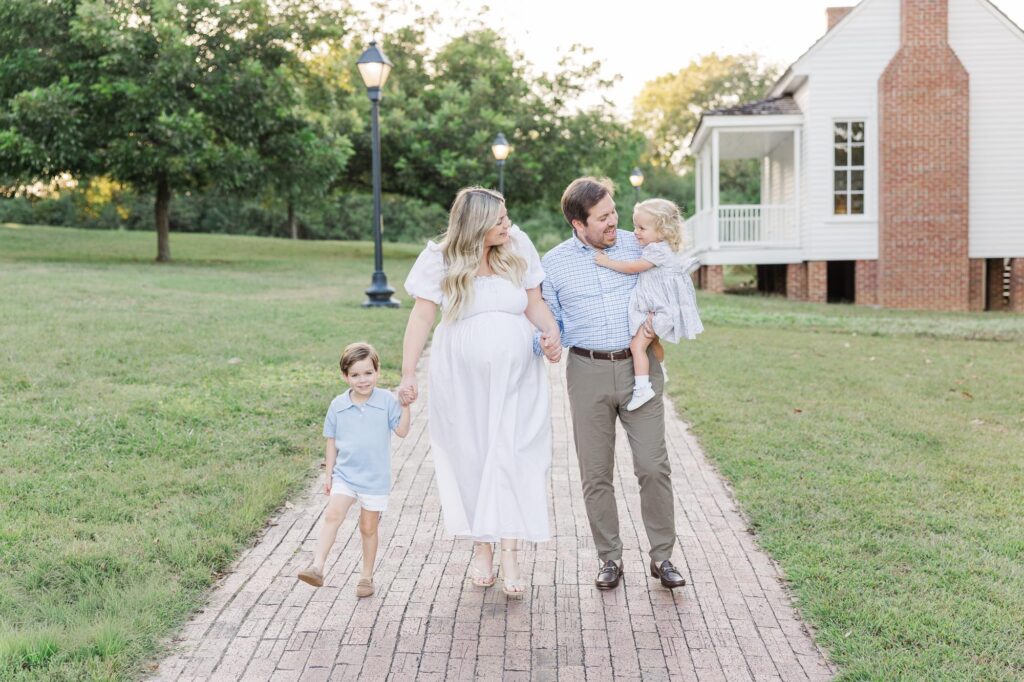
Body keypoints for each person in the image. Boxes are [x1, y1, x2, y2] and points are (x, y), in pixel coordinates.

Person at [399, 187, 561, 599]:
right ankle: (482, 549)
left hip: (519, 375)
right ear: (476, 224)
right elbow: (421, 316)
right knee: (473, 455)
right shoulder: (441, 258)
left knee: (513, 451)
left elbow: (535, 304)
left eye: (507, 217)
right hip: (460, 378)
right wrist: (407, 374)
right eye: (500, 220)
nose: (508, 225)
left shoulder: (517, 247)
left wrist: (552, 335)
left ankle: (510, 553)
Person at [541, 177, 687, 591]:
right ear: (577, 222)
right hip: (585, 371)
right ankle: (610, 558)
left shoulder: (640, 244)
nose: (614, 222)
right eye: (602, 217)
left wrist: (660, 326)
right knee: (595, 472)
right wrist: (546, 339)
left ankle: (663, 558)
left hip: (638, 370)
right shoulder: (553, 264)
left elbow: (675, 281)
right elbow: (548, 319)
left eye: (614, 212)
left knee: (653, 466)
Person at [297, 342, 411, 597]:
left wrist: (405, 406)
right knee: (332, 515)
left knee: (368, 528)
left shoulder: (386, 401)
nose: (363, 380)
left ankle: (366, 577)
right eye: (355, 375)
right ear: (345, 376)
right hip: (346, 476)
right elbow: (331, 441)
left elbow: (402, 431)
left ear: (377, 372)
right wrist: (329, 474)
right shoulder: (338, 405)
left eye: (368, 373)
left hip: (374, 479)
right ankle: (317, 566)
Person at [594, 198, 703, 411]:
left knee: (637, 346)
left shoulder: (656, 251)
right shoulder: (664, 247)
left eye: (642, 228)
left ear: (662, 231)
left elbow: (634, 267)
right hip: (662, 307)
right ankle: (660, 369)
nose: (636, 232)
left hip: (659, 311)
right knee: (652, 343)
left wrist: (608, 262)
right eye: (635, 226)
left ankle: (643, 388)